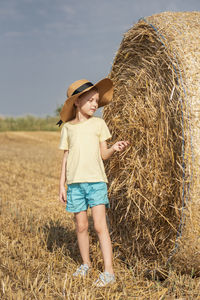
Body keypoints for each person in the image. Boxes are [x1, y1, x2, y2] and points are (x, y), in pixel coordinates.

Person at [58, 78, 129, 287]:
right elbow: (65, 157)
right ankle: (86, 264)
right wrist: (61, 184)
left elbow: (104, 154)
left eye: (96, 100)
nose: (94, 104)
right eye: (90, 100)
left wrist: (114, 148)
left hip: (96, 182)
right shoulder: (68, 128)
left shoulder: (99, 124)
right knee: (81, 227)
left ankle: (109, 271)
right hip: (75, 184)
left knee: (99, 226)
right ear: (77, 103)